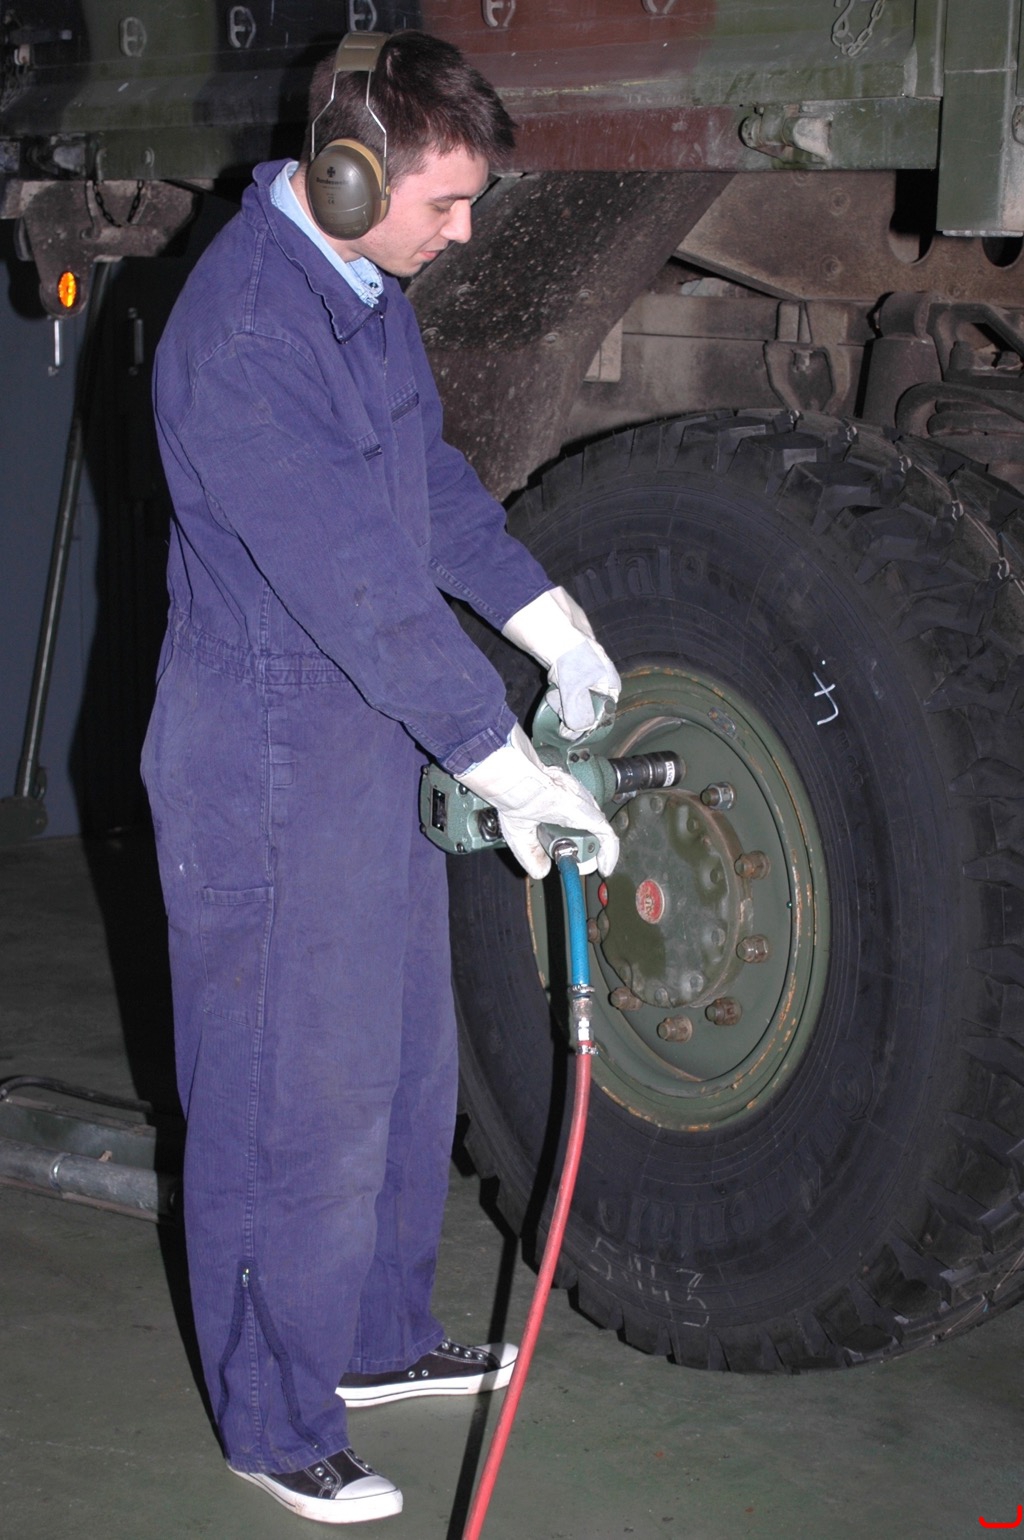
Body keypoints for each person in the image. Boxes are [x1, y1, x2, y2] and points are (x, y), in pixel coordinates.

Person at [141, 29, 620, 1526]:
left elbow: (425, 491)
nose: (464, 233)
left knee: (404, 1068)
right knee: (287, 1101)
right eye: (446, 204)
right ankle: (272, 1419)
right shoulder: (245, 335)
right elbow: (357, 587)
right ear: (348, 179)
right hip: (265, 754)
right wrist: (505, 760)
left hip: (364, 740)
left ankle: (373, 1336)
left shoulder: (358, 293)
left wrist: (548, 618)